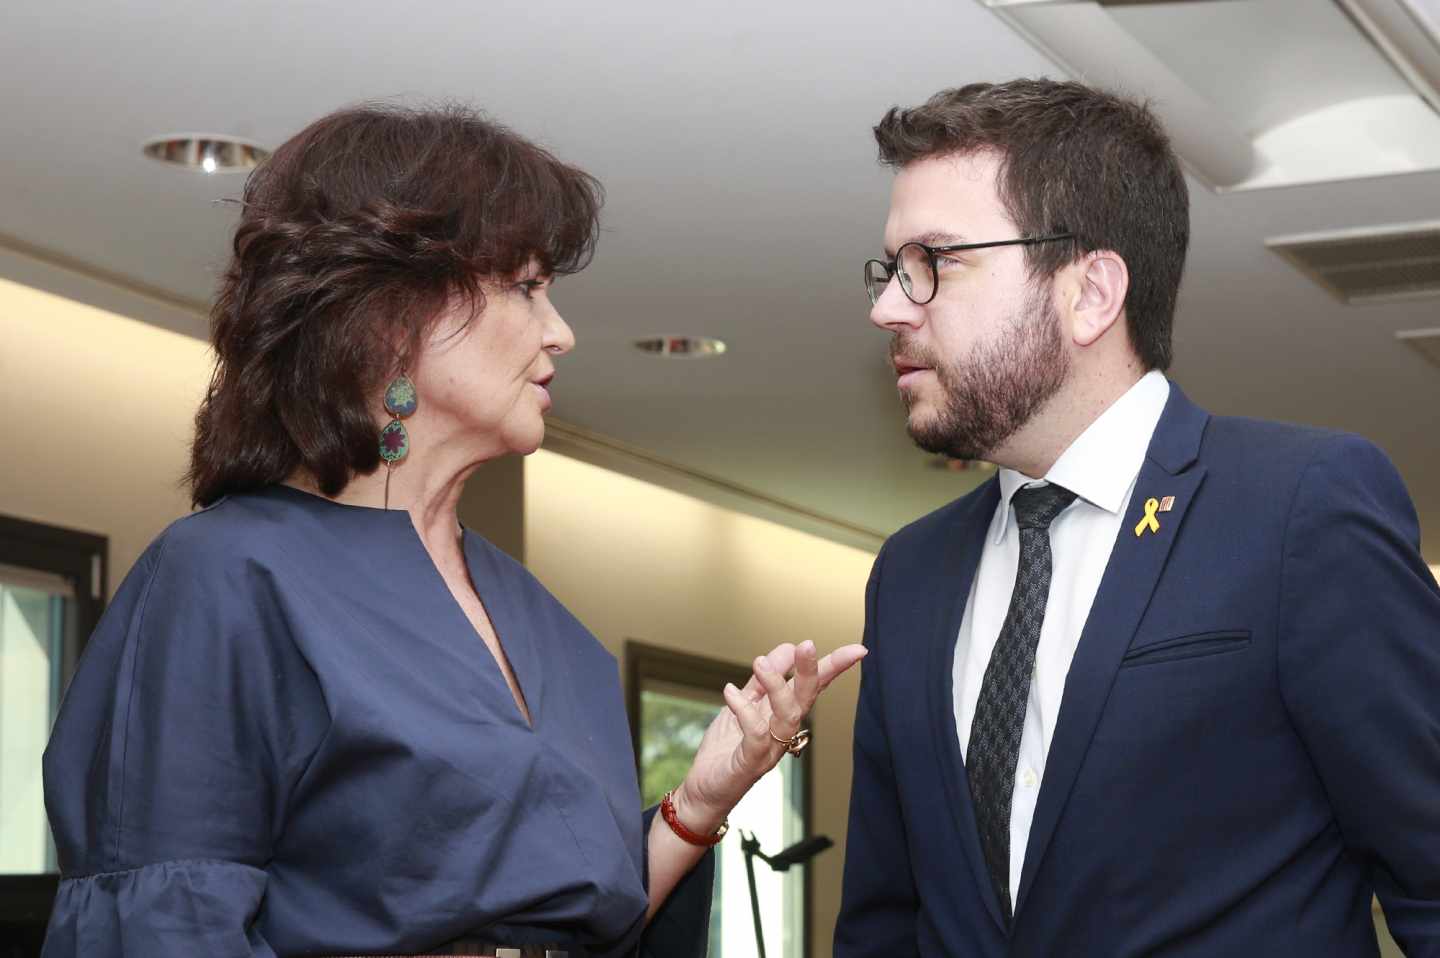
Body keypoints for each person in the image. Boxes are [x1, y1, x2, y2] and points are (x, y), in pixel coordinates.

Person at [40, 104, 865, 958]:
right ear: (394, 312)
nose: (561, 331)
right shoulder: (228, 576)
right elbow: (162, 927)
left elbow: (578, 929)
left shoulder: (544, 622)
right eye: (527, 286)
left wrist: (700, 803)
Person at [835, 78, 1440, 957]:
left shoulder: (1300, 509)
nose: (889, 304)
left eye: (937, 261)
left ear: (1091, 292)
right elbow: (886, 922)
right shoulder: (912, 574)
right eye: (891, 268)